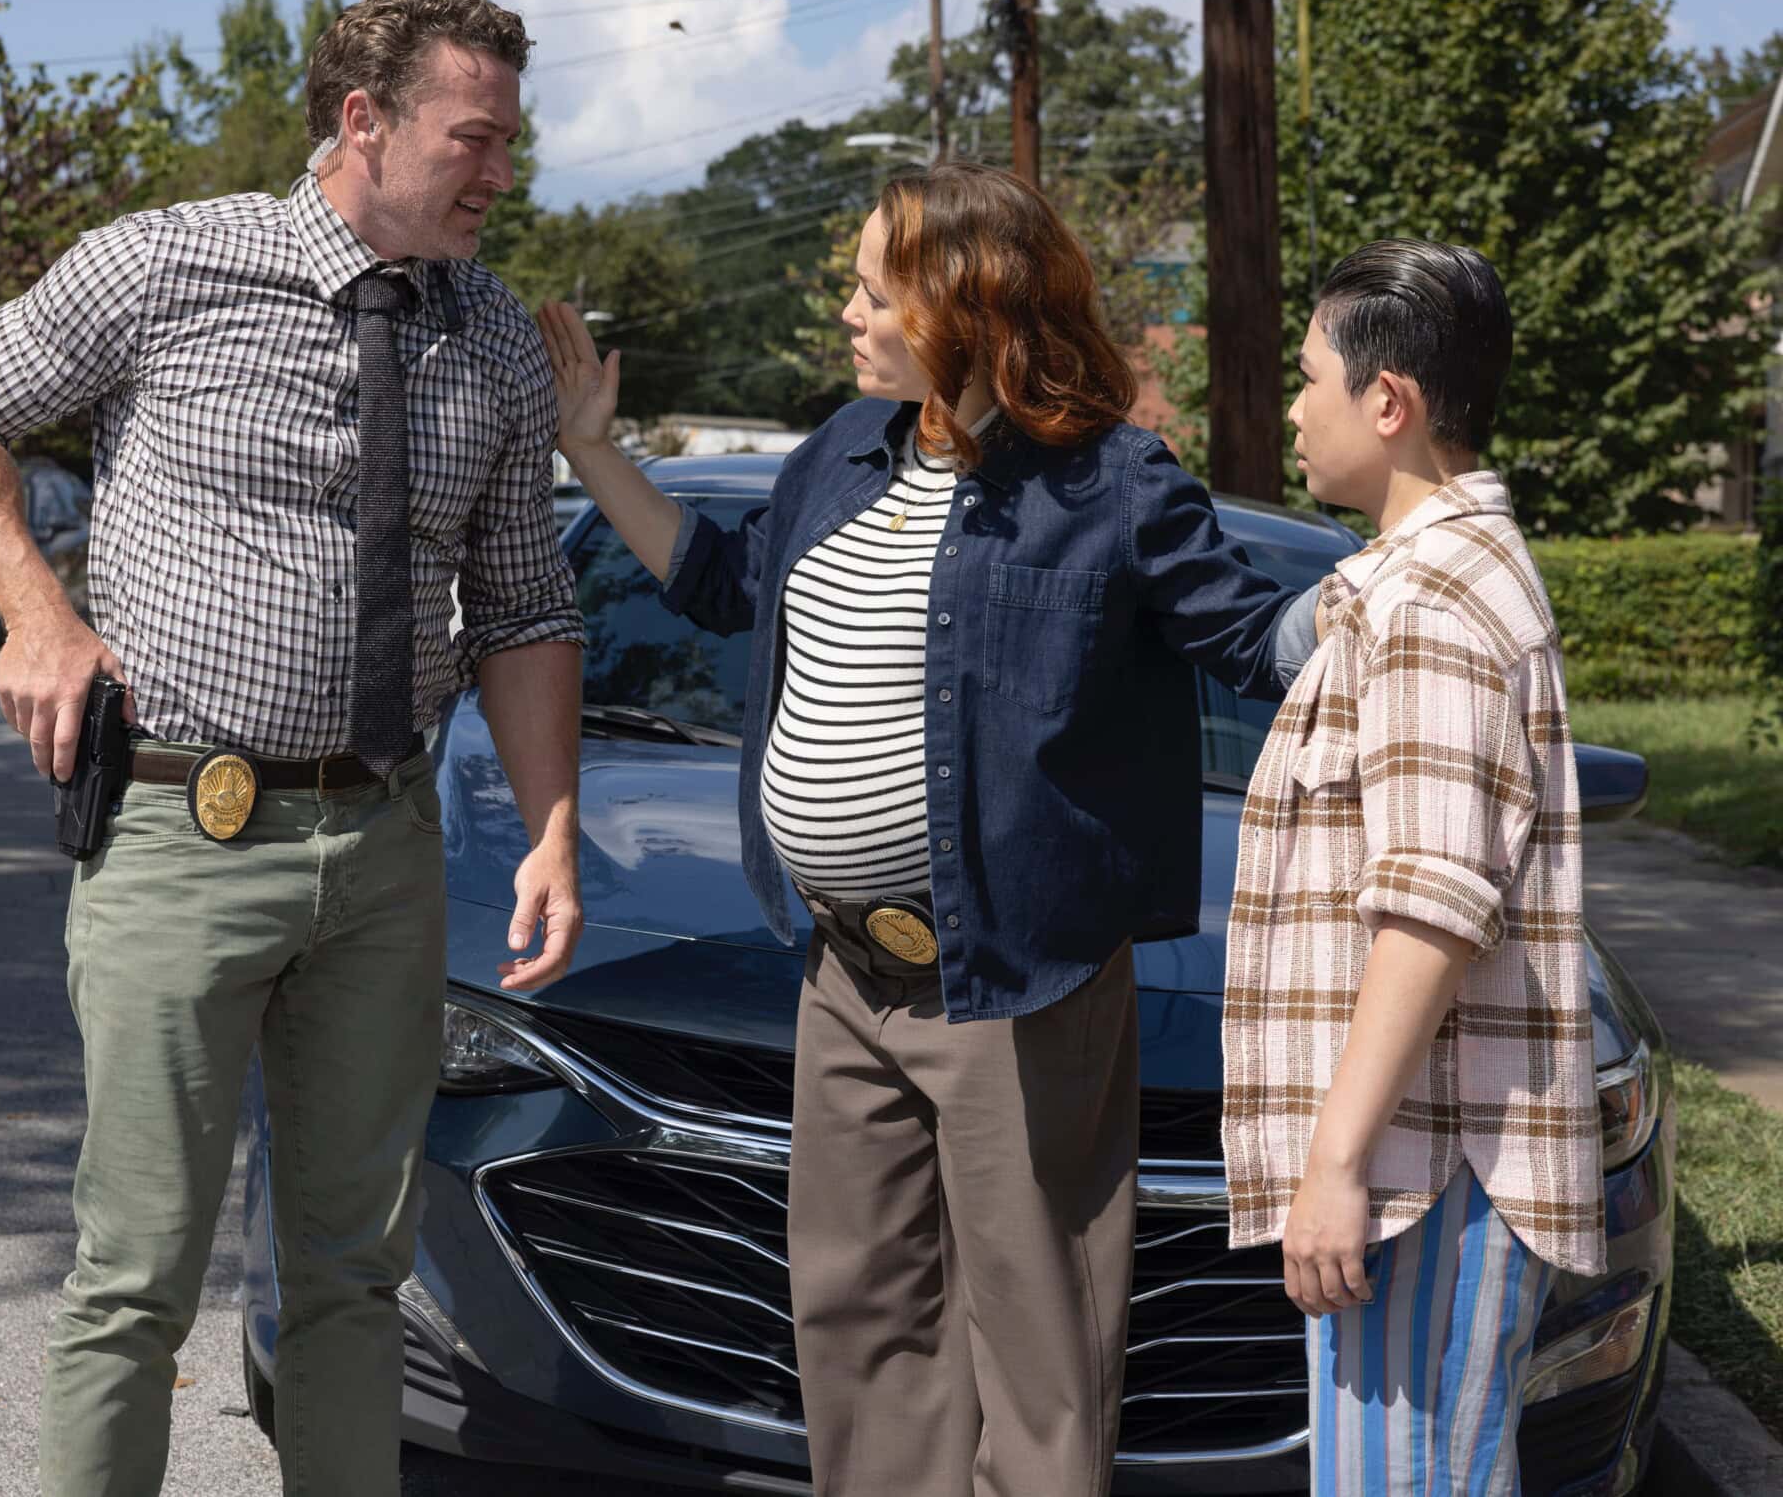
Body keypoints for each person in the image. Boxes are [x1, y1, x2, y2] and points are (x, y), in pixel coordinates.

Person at [0, 0, 585, 1497]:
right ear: (364, 120)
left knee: (354, 1271)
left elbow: (527, 602)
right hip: (178, 833)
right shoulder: (166, 264)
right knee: (135, 1273)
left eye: (509, 143)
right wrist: (37, 610)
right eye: (475, 138)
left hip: (387, 843)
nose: (500, 172)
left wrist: (546, 829)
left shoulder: (496, 340)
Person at [537, 160, 1320, 1497]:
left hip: (1018, 982)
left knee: (1034, 1334)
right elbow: (722, 584)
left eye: (869, 286)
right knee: (860, 1313)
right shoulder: (841, 451)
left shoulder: (1111, 483)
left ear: (963, 303)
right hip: (843, 971)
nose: (845, 310)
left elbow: (1255, 638)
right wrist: (594, 445)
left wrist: (1390, 585)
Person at [1221, 239, 1605, 1496]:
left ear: (1387, 405)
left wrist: (1332, 1168)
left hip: (1426, 1166)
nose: (1291, 405)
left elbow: (1430, 913)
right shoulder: (1421, 586)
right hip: (1421, 1155)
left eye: (1308, 376)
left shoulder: (1431, 605)